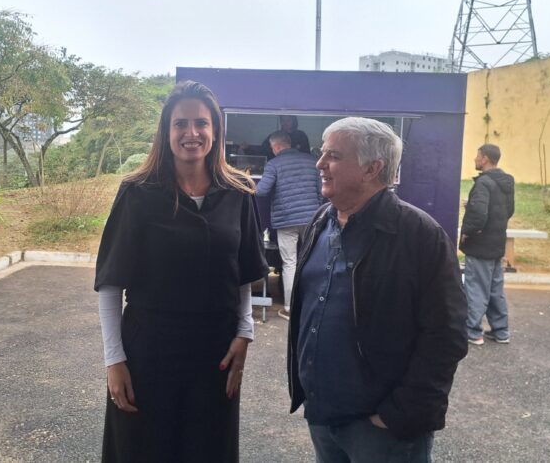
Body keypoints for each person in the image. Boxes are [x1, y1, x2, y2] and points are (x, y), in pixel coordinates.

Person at [94, 81, 269, 463]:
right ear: (166, 131)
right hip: (148, 353)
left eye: (202, 123)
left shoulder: (238, 192)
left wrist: (245, 333)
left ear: (215, 130)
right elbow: (110, 283)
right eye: (181, 124)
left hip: (215, 355)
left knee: (208, 450)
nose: (192, 133)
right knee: (144, 450)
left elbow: (243, 272)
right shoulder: (137, 193)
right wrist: (114, 360)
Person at [286, 117, 467, 463]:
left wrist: (400, 412)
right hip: (322, 415)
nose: (320, 164)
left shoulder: (419, 235)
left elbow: (447, 334)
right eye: (322, 153)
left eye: (333, 155)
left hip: (383, 431)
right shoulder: (320, 221)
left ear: (372, 169)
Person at [254, 130, 322, 321]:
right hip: (311, 218)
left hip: (286, 220)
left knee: (289, 263)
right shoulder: (312, 161)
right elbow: (321, 191)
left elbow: (261, 191)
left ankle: (290, 308)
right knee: (312, 260)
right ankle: (311, 304)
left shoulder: (274, 164)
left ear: (276, 147)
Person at [459, 143, 515, 346]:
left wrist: (467, 232)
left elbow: (479, 215)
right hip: (497, 244)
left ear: (485, 159)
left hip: (480, 246)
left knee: (475, 288)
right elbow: (508, 211)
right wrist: (473, 205)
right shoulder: (506, 182)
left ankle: (473, 331)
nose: (475, 159)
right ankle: (501, 331)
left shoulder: (483, 183)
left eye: (477, 156)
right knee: (495, 290)